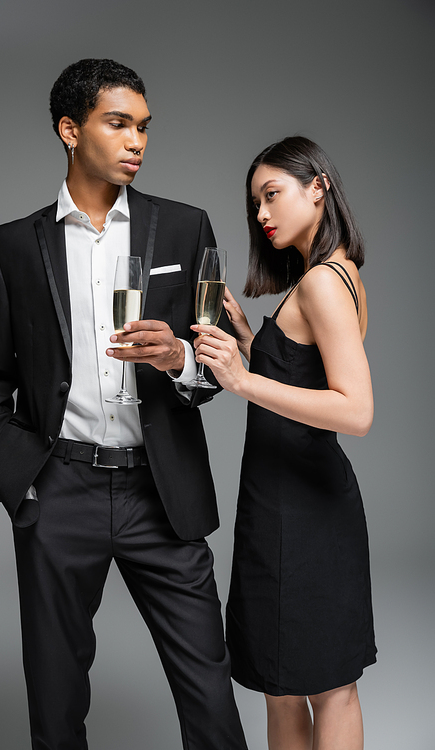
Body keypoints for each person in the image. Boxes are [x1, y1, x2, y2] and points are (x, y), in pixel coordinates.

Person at [0, 58, 247, 750]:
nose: (136, 141)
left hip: (163, 491)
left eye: (144, 127)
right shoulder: (12, 248)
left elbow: (216, 362)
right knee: (55, 700)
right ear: (69, 129)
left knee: (209, 693)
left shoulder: (185, 228)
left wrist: (180, 356)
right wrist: (19, 482)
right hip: (58, 491)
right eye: (118, 123)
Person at [192, 136, 376, 750]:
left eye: (273, 195)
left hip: (302, 509)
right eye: (256, 204)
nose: (263, 214)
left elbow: (354, 410)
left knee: (318, 685)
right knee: (290, 681)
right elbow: (304, 382)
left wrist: (242, 380)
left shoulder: (324, 282)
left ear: (317, 186)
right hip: (287, 501)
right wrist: (250, 340)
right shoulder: (337, 273)